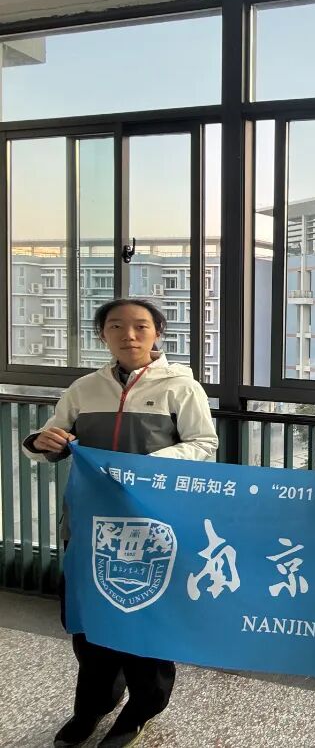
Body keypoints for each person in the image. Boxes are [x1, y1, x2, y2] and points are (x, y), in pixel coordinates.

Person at [22, 298, 218, 748]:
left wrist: (145, 467)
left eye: (141, 326)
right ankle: (92, 706)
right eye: (116, 326)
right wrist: (41, 442)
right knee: (90, 625)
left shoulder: (181, 387)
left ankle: (141, 709)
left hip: (153, 529)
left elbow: (203, 444)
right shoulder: (84, 389)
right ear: (102, 335)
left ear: (158, 333)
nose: (129, 335)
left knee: (147, 621)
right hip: (91, 529)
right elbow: (49, 441)